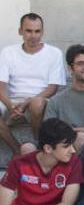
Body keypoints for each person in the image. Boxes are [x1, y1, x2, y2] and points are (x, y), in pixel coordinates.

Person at [0, 13, 65, 152]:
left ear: (42, 32)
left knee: (37, 102)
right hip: (12, 100)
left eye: (37, 31)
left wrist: (26, 103)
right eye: (28, 31)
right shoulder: (8, 52)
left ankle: (39, 143)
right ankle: (17, 150)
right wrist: (11, 106)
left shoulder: (54, 53)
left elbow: (53, 88)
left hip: (41, 98)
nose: (33, 35)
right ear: (20, 31)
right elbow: (0, 87)